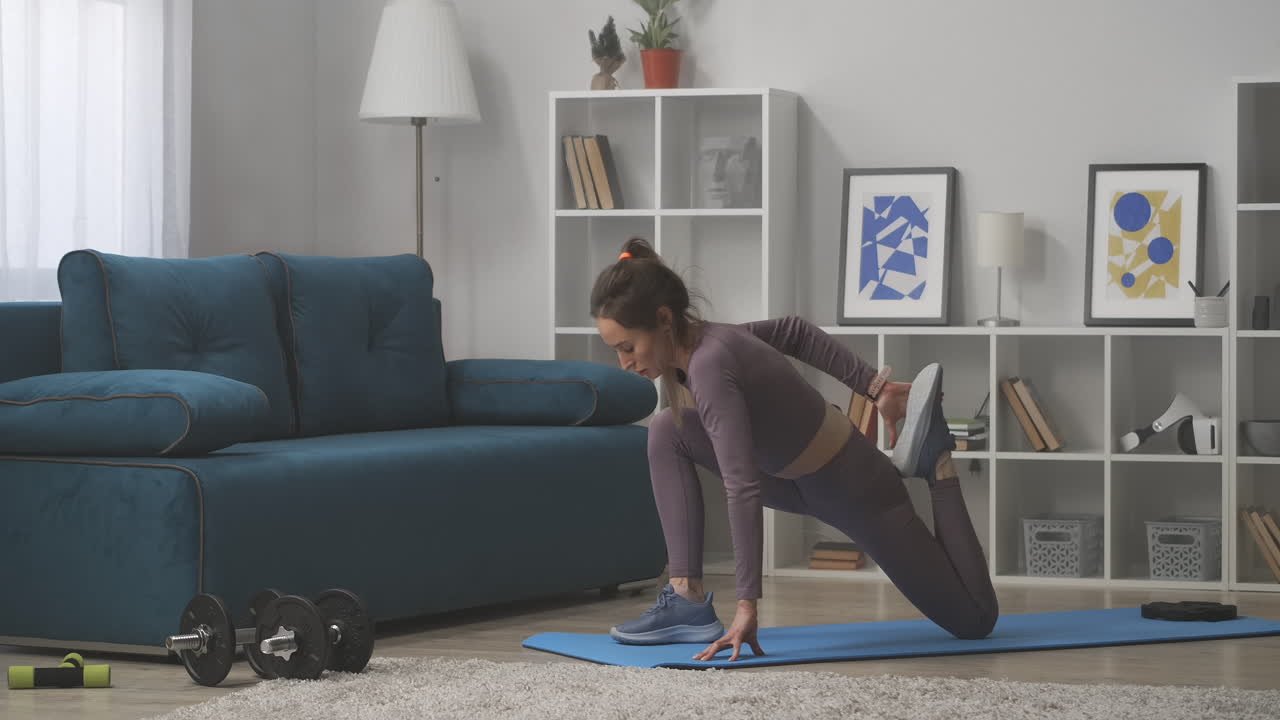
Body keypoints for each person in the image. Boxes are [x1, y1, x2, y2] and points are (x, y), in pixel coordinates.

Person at [590, 237, 998, 662]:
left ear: (663, 320)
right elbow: (795, 332)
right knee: (665, 430)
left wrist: (747, 606)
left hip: (857, 490)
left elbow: (742, 485)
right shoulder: (706, 345)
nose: (625, 363)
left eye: (627, 347)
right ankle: (686, 600)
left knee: (974, 621)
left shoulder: (710, 364)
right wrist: (875, 388)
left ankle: (937, 462)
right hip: (796, 482)